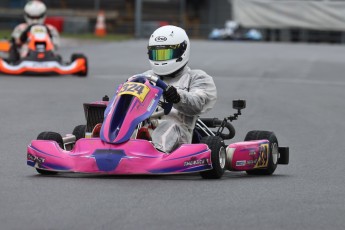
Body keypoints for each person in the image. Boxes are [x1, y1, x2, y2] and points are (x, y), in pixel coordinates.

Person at [143, 25, 217, 153]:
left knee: (168, 127)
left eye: (166, 54)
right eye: (157, 54)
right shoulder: (144, 77)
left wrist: (178, 97)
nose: (161, 59)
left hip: (178, 134)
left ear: (181, 52)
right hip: (144, 128)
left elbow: (198, 102)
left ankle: (155, 153)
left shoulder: (197, 78)